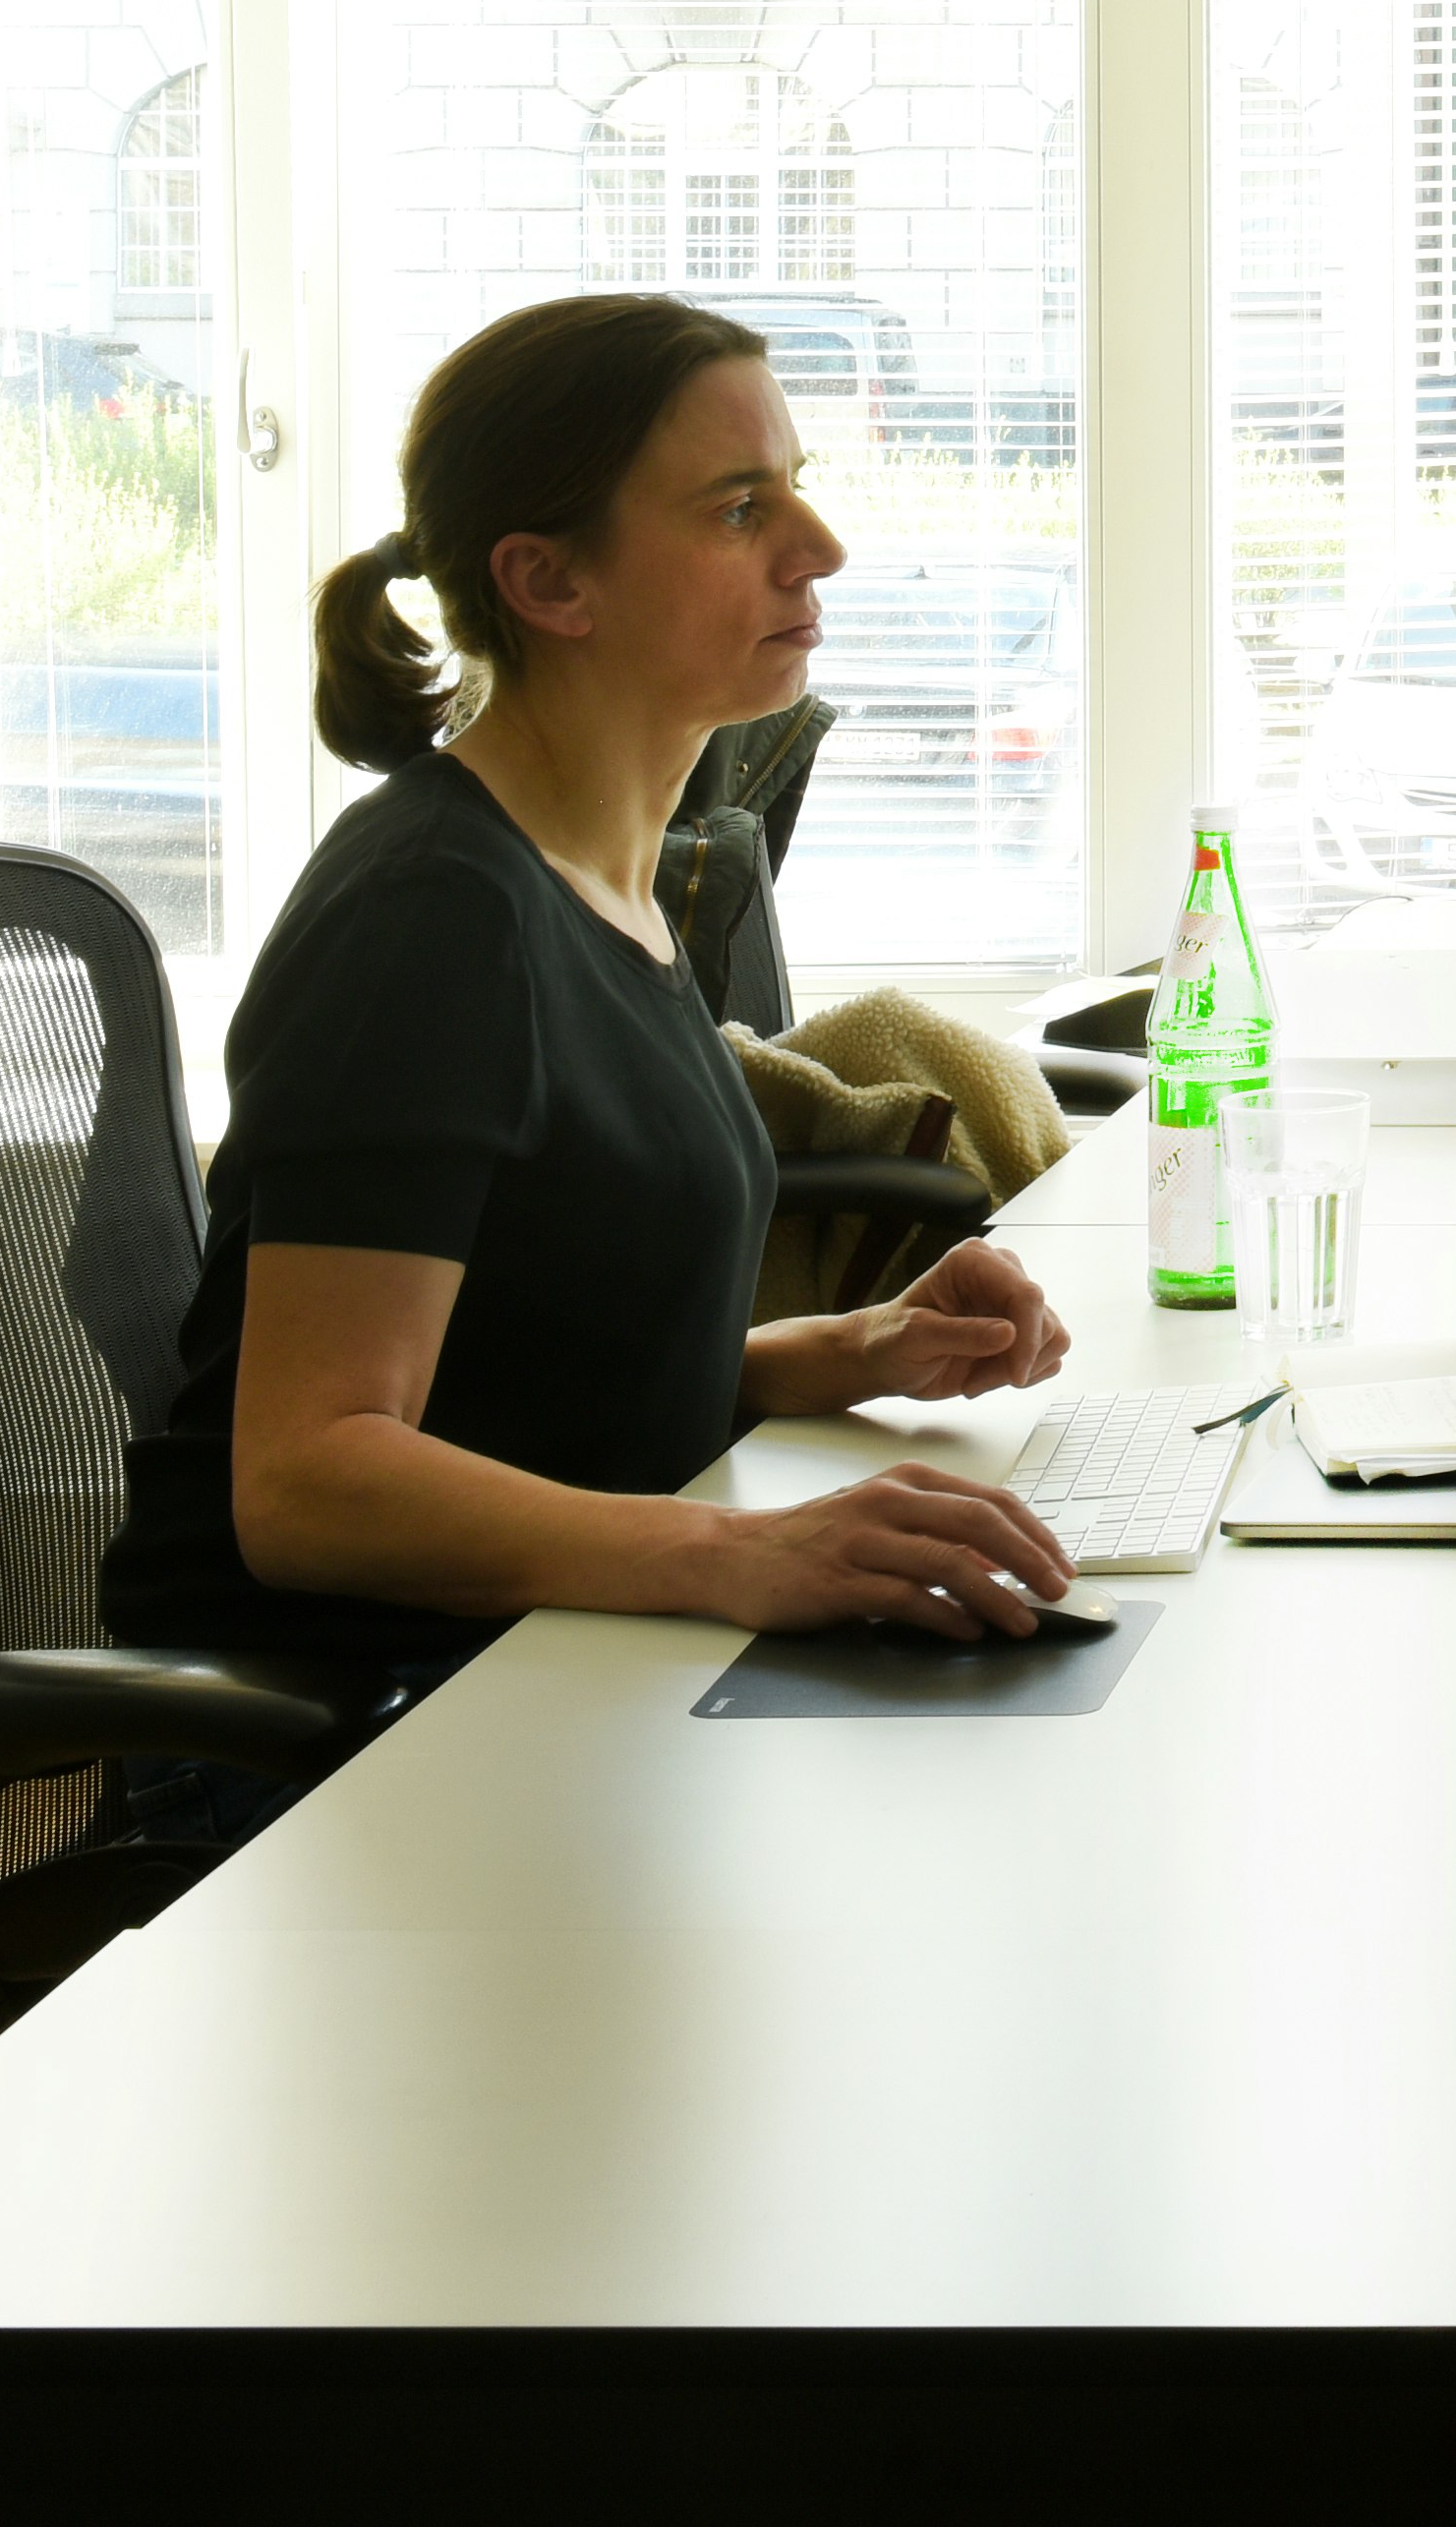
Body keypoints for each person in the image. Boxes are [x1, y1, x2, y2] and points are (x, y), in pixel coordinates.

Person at [106, 292, 1091, 1706]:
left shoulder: (609, 884)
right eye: (741, 510)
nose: (822, 549)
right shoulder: (432, 917)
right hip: (346, 1727)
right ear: (552, 585)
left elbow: (542, 1370)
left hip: (543, 1653)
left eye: (796, 491)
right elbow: (307, 1479)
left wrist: (855, 1348)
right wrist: (742, 1550)